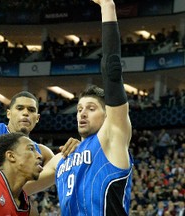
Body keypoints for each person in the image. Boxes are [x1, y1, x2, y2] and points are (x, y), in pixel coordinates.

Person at [24, 0, 133, 215]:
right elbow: (20, 188)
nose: (82, 113)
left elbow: (112, 69)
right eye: (80, 109)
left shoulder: (112, 138)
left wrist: (107, 7)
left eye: (91, 108)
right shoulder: (62, 157)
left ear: (106, 115)